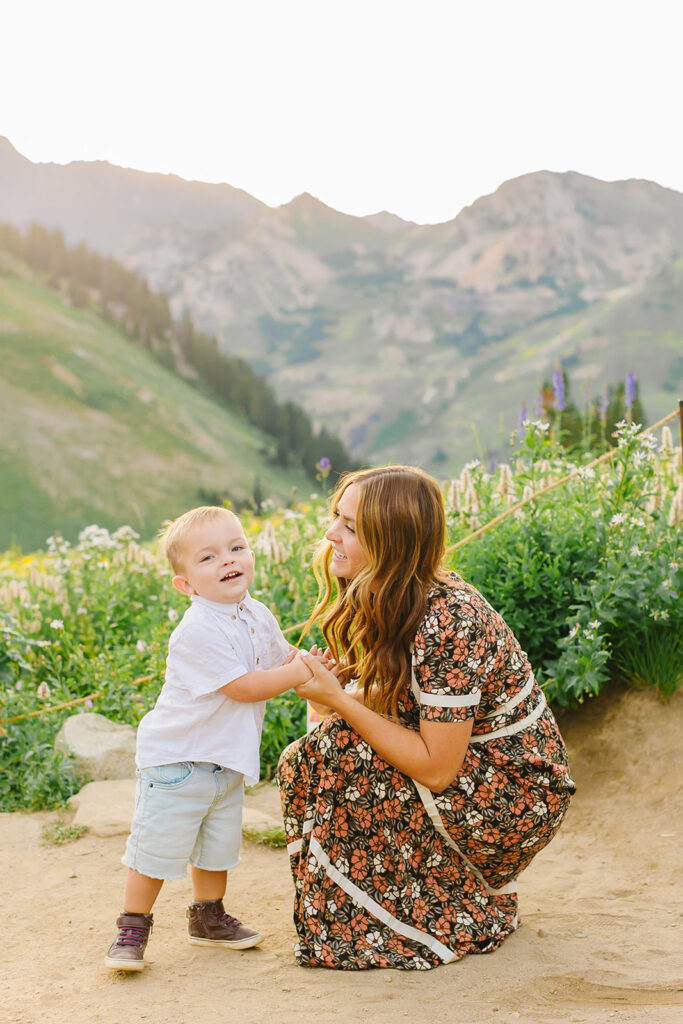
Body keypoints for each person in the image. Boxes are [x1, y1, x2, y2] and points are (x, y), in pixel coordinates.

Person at [278, 466, 576, 971]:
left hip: (515, 798)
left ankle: (459, 904)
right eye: (336, 518)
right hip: (477, 775)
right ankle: (428, 900)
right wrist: (328, 696)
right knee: (313, 753)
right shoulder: (391, 593)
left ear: (390, 539)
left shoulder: (450, 618)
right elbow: (394, 704)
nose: (331, 536)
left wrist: (344, 702)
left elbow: (438, 768)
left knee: (333, 751)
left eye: (350, 526)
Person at [105, 506, 313, 971]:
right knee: (157, 849)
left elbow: (283, 660)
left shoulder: (256, 614)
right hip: (177, 761)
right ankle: (132, 927)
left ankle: (208, 917)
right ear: (186, 585)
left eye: (236, 548)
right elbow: (244, 687)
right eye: (208, 557)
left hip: (224, 760)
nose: (227, 560)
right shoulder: (196, 631)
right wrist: (299, 672)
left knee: (216, 846)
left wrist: (314, 666)